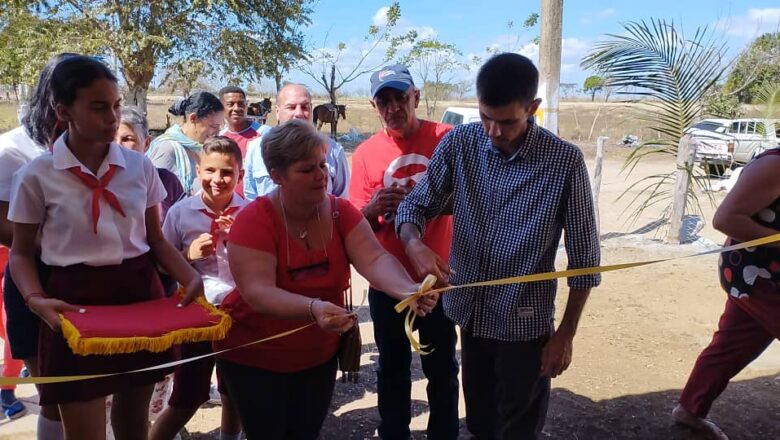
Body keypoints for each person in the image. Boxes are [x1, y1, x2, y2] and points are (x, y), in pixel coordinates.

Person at [396, 53, 601, 439]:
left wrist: (565, 335)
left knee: (518, 425)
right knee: (480, 420)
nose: (492, 131)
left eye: (507, 121)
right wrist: (413, 243)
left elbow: (586, 262)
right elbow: (414, 206)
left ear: (533, 109)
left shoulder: (564, 162)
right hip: (470, 316)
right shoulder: (460, 144)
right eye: (485, 116)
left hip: (524, 324)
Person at [8, 55, 204, 440]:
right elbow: (21, 253)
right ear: (63, 111)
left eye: (115, 105)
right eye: (98, 107)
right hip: (74, 304)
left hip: (136, 296)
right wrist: (35, 298)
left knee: (133, 422)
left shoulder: (139, 167)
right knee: (83, 427)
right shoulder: (37, 175)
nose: (112, 117)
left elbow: (156, 240)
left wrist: (188, 275)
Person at [214, 119, 437, 440]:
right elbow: (257, 291)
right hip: (254, 356)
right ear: (277, 176)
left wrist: (409, 289)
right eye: (307, 170)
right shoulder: (254, 220)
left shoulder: (340, 213)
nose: (322, 175)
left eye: (322, 164)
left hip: (316, 356)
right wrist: (314, 307)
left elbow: (374, 259)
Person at [349, 64, 459, 440]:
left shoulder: (446, 138)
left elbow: (469, 200)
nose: (393, 107)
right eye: (384, 101)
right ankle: (393, 432)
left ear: (416, 96)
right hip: (388, 283)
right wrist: (374, 206)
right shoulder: (364, 154)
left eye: (400, 98)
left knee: (441, 366)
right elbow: (355, 221)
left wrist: (423, 203)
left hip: (439, 278)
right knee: (392, 367)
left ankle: (442, 433)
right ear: (374, 106)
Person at [672, 147, 780, 440]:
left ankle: (690, 410)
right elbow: (726, 219)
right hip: (758, 277)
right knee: (734, 343)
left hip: (764, 275)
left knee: (733, 344)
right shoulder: (774, 165)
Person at [151, 136, 246, 440]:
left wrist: (241, 240)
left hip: (239, 311)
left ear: (240, 175)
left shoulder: (252, 213)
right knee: (189, 394)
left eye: (227, 173)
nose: (218, 180)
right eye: (210, 171)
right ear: (198, 172)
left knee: (234, 391)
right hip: (196, 312)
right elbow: (161, 265)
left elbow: (265, 266)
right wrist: (187, 256)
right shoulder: (180, 213)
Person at [0, 54, 70, 440]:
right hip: (35, 281)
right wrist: (59, 244)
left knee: (89, 393)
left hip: (92, 283)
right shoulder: (12, 150)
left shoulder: (98, 148)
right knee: (54, 393)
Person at [243, 84, 349, 199]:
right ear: (277, 112)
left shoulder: (334, 151)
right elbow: (250, 198)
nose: (298, 113)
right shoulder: (256, 149)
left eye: (304, 107)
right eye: (291, 107)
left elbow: (341, 202)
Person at [147, 91, 224, 194]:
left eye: (219, 127)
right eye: (213, 126)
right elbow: (157, 197)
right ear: (193, 118)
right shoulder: (166, 149)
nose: (218, 132)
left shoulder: (201, 148)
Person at [116, 106, 184, 222]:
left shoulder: (166, 181)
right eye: (111, 139)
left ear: (146, 143)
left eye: (127, 139)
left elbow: (182, 225)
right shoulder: (97, 183)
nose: (117, 145)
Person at [218, 86, 261, 157]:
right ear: (221, 107)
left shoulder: (265, 134)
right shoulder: (220, 138)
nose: (236, 108)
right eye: (230, 104)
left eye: (241, 104)